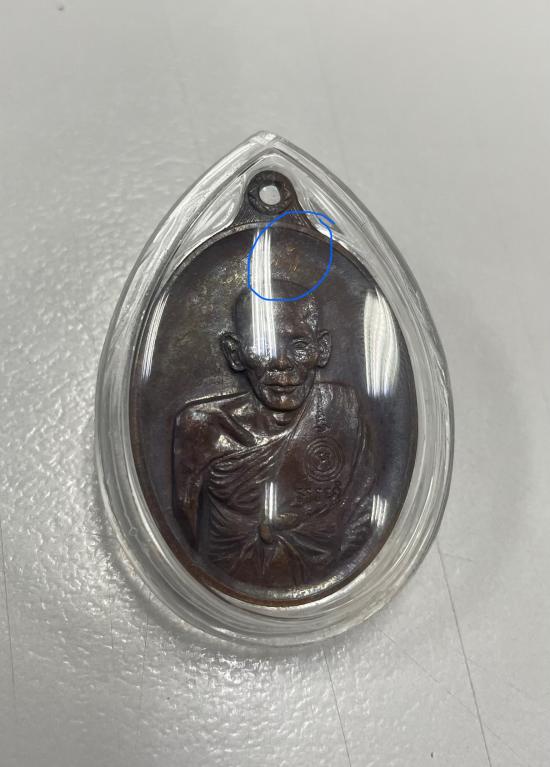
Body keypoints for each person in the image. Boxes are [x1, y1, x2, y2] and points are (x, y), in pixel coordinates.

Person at [172, 280, 374, 590]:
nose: (281, 363)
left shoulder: (341, 410)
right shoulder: (204, 427)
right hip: (222, 588)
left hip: (328, 587)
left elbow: (362, 515)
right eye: (264, 345)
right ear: (235, 353)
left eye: (299, 346)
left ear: (322, 349)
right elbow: (181, 533)